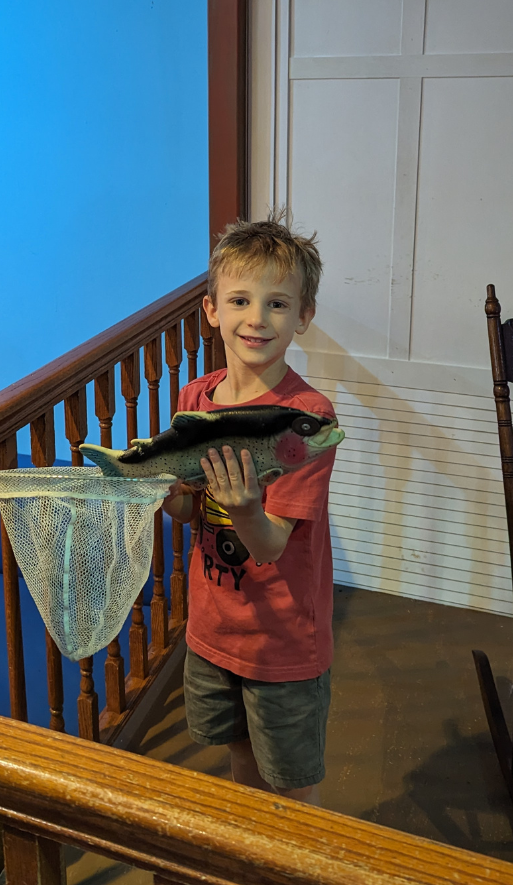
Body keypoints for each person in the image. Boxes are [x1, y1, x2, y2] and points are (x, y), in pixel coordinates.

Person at [163, 210, 337, 806]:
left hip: (284, 642)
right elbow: (188, 513)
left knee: (290, 787)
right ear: (212, 309)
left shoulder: (306, 419)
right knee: (241, 760)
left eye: (277, 304)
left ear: (303, 317)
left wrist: (244, 510)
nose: (257, 318)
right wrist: (168, 496)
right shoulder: (195, 397)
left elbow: (269, 544)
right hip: (214, 627)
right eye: (239, 300)